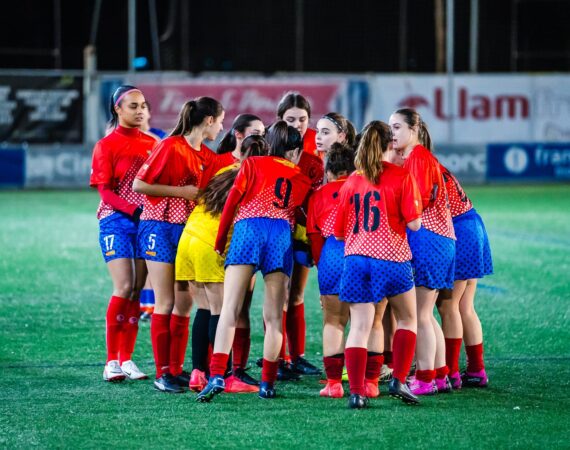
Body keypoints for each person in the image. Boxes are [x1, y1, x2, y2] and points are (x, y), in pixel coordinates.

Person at [196, 121, 312, 402]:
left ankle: (216, 376)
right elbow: (298, 215)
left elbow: (232, 202)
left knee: (230, 310)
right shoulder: (301, 176)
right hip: (279, 235)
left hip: (248, 229)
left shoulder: (252, 164)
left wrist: (220, 240)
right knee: (273, 318)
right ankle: (268, 383)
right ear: (294, 151)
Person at [132, 97, 231, 393]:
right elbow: (140, 185)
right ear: (210, 120)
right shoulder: (171, 145)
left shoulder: (208, 155)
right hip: (159, 227)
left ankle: (176, 370)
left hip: (186, 232)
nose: (222, 126)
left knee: (184, 304)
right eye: (221, 120)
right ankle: (163, 374)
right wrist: (182, 192)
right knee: (165, 301)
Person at [334, 120, 422, 409]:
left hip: (356, 260)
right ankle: (398, 379)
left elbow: (338, 231)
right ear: (390, 144)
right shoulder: (401, 176)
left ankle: (357, 393)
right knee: (408, 319)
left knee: (359, 327)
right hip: (392, 259)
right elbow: (415, 224)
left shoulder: (352, 181)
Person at [176, 135, 269, 394]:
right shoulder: (257, 179)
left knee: (204, 308)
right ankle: (226, 376)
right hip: (210, 244)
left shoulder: (227, 169)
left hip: (189, 239)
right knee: (222, 311)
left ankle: (197, 372)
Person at [90, 85, 157, 382]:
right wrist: (131, 209)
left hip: (145, 222)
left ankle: (127, 359)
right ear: (118, 109)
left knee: (136, 290)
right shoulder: (106, 145)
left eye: (142, 105)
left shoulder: (154, 143)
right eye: (133, 105)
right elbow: (104, 190)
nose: (140, 110)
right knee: (125, 285)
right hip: (116, 221)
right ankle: (110, 362)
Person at [389, 108, 456, 395]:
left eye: (396, 127)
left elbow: (418, 203)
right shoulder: (419, 157)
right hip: (439, 239)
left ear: (413, 130)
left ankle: (425, 378)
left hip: (428, 239)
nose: (392, 133)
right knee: (426, 313)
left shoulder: (416, 158)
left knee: (419, 315)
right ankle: (440, 375)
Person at [275, 92, 323, 377]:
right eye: (290, 119)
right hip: (277, 230)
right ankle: (278, 358)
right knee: (278, 295)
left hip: (304, 232)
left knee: (296, 294)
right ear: (280, 119)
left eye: (303, 119)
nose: (297, 124)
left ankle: (298, 356)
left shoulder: (315, 145)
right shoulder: (272, 143)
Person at [436, 164, 493, 388]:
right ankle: (476, 370)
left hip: (459, 230)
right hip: (472, 224)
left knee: (448, 306)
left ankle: (450, 372)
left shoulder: (420, 165)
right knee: (465, 306)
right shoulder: (434, 163)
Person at [307, 143, 355, 398]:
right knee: (367, 322)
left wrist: (321, 269)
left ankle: (334, 384)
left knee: (334, 322)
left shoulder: (319, 195)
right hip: (364, 252)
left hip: (332, 255)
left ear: (329, 170)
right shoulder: (365, 187)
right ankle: (367, 381)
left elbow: (315, 239)